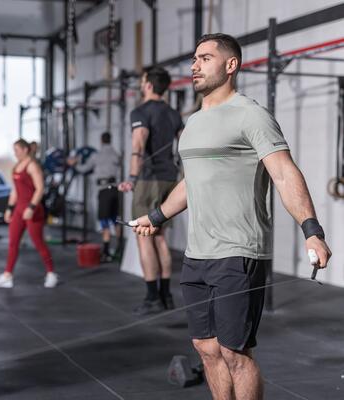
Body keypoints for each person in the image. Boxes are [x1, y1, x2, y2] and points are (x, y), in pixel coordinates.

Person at [133, 33, 332, 400]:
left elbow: (285, 173)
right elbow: (191, 183)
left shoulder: (250, 114)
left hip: (238, 253)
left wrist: (312, 230)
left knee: (235, 353)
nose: (195, 65)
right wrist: (156, 216)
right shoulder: (191, 124)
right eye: (194, 58)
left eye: (205, 58)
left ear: (230, 65)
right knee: (206, 349)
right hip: (197, 254)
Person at [118, 67, 184, 315]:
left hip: (148, 180)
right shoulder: (174, 114)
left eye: (142, 80)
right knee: (159, 237)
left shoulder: (141, 112)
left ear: (147, 85)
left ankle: (151, 297)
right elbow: (186, 143)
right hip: (170, 179)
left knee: (143, 235)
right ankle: (166, 296)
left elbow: (138, 144)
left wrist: (132, 177)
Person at [0, 139, 58, 289]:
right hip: (19, 209)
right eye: (14, 150)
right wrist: (9, 208)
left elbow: (40, 189)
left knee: (39, 243)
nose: (15, 153)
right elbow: (15, 190)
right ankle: (7, 276)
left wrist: (31, 207)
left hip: (32, 209)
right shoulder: (16, 167)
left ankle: (51, 273)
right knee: (13, 243)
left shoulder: (32, 165)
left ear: (25, 150)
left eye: (17, 150)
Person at [68, 132, 121, 261]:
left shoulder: (96, 156)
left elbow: (83, 169)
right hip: (115, 189)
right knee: (115, 219)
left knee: (104, 220)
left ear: (101, 141)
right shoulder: (116, 155)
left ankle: (107, 251)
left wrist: (74, 163)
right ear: (110, 140)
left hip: (103, 190)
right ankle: (119, 248)